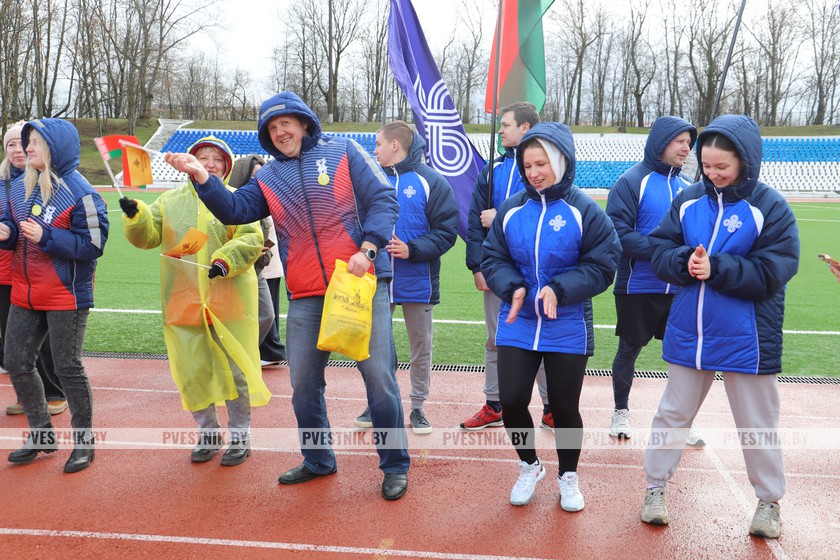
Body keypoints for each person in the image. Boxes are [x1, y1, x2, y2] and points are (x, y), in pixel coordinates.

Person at [164, 91, 411, 500]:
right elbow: (234, 210)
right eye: (272, 127)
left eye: (286, 123)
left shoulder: (345, 152)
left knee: (379, 379)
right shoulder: (268, 177)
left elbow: (384, 198)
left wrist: (369, 249)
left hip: (358, 282)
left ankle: (395, 464)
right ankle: (318, 459)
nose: (280, 132)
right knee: (304, 385)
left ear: (303, 123)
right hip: (306, 292)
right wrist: (202, 177)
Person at [640, 115, 800, 539]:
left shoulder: (770, 208)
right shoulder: (688, 200)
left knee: (757, 423)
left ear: (744, 161)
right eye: (707, 165)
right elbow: (660, 248)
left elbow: (775, 271)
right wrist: (683, 262)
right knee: (672, 414)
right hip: (690, 331)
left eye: (721, 167)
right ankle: (655, 488)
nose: (712, 174)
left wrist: (718, 268)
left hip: (749, 338)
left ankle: (769, 502)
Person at [481, 122, 620, 510]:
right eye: (527, 166)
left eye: (541, 164)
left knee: (563, 407)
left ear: (561, 161)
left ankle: (568, 475)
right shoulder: (512, 209)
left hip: (568, 324)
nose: (534, 173)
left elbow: (603, 264)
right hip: (520, 321)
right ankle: (530, 465)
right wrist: (512, 287)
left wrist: (560, 288)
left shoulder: (585, 210)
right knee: (511, 401)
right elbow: (493, 258)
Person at [121, 136, 271, 466]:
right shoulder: (170, 201)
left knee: (235, 372)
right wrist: (136, 215)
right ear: (191, 162)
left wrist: (224, 261)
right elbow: (149, 236)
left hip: (228, 301)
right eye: (203, 158)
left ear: (227, 166)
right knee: (192, 371)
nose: (210, 164)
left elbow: (250, 238)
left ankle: (240, 437)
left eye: (217, 159)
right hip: (184, 301)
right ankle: (208, 434)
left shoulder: (235, 199)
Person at [0, 118, 109, 473]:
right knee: (16, 361)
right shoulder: (21, 186)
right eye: (26, 141)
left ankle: (84, 443)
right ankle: (42, 434)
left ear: (54, 148)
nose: (27, 148)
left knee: (68, 368)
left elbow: (94, 244)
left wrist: (46, 237)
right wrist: (7, 234)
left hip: (65, 294)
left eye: (35, 142)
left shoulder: (81, 192)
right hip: (25, 291)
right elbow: (16, 228)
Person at [352, 120, 458, 434]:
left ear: (395, 145)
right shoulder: (370, 179)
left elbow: (447, 231)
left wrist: (413, 249)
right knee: (374, 347)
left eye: (378, 144)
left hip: (419, 281)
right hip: (376, 279)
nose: (375, 150)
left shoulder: (432, 181)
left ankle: (418, 407)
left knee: (421, 345)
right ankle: (378, 402)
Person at [605, 116, 705, 445]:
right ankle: (620, 411)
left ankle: (681, 420)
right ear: (661, 142)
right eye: (680, 141)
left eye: (689, 143)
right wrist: (667, 252)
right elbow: (618, 235)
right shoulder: (631, 181)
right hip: (638, 285)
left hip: (680, 288)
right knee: (628, 351)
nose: (686, 148)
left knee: (684, 357)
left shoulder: (690, 187)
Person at [463, 101, 552, 431]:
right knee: (495, 338)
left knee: (540, 338)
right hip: (495, 270)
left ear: (525, 128)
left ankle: (550, 407)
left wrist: (499, 216)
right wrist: (477, 266)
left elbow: (545, 214)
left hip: (535, 271)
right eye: (499, 125)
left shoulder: (542, 169)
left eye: (506, 124)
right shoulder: (492, 170)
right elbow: (474, 222)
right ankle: (494, 403)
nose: (499, 130)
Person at [1, 121, 66, 417]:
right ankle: (27, 395)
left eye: (22, 143)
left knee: (42, 341)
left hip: (36, 273)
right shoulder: (3, 184)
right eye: (10, 145)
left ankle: (53, 392)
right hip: (5, 273)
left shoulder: (47, 181)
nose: (18, 150)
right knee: (14, 342)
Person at [228, 154, 287, 366]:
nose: (258, 180)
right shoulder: (233, 201)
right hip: (240, 266)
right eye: (254, 176)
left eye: (261, 175)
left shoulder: (267, 196)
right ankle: (253, 353)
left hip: (265, 264)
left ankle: (259, 352)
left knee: (266, 313)